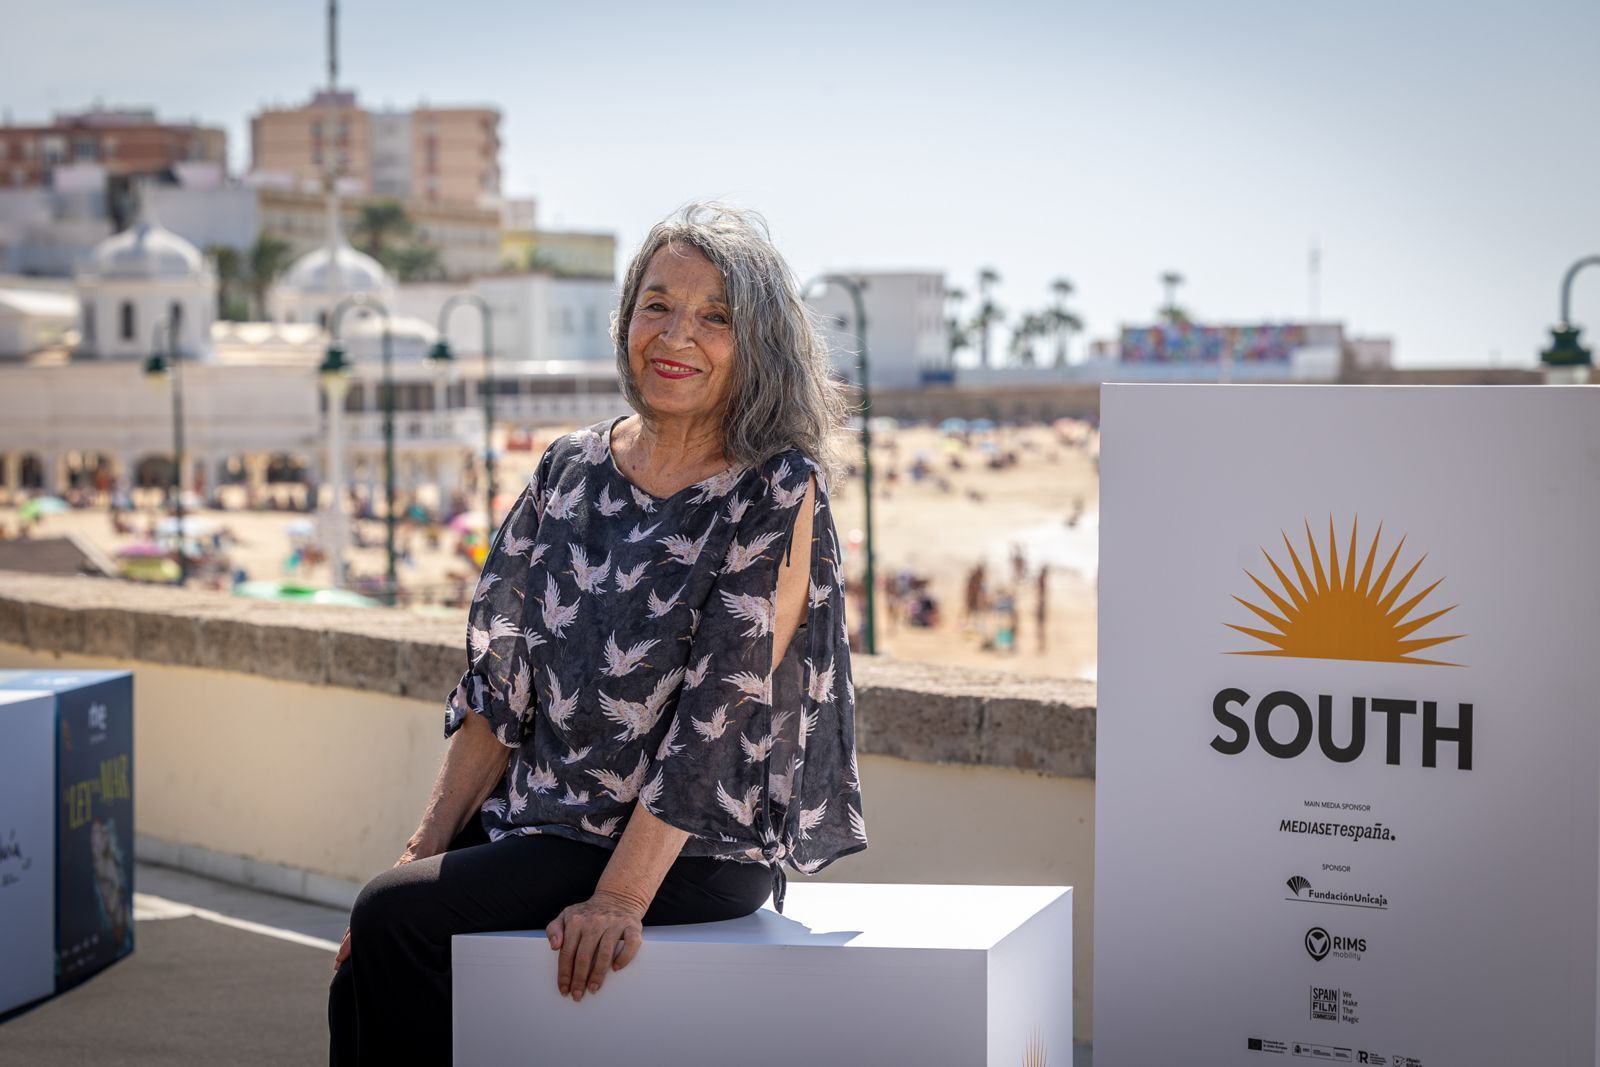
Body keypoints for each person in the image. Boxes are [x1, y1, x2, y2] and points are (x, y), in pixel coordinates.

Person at [328, 203, 868, 1064]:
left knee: (395, 921)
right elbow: (500, 689)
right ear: (626, 320)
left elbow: (716, 721)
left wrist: (619, 897)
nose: (676, 334)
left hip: (692, 844)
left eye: (714, 316)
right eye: (656, 304)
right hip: (548, 819)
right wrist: (421, 847)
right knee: (373, 941)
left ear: (757, 343)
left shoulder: (775, 489)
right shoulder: (568, 469)